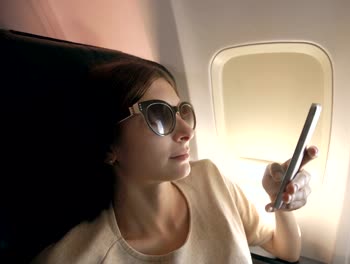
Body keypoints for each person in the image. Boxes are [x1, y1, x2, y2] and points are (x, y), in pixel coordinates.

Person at [32, 59, 318, 264]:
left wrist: (279, 200)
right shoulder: (81, 255)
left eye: (182, 112)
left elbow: (287, 250)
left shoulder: (210, 179)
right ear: (108, 147)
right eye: (158, 115)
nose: (187, 131)